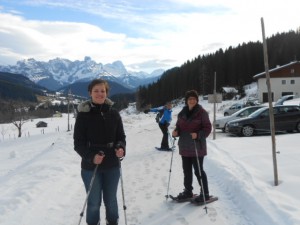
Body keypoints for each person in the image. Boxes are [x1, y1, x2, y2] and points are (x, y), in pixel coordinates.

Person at [74, 79, 126, 225]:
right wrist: (91, 157)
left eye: (102, 91)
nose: (99, 93)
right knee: (94, 202)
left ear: (107, 93)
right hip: (91, 167)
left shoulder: (114, 113)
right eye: (96, 91)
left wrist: (121, 148)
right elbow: (78, 143)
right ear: (90, 93)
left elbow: (120, 137)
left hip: (112, 164)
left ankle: (112, 222)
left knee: (111, 200)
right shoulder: (83, 115)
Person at [172, 90, 212, 202]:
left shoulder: (202, 112)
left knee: (198, 171)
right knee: (187, 171)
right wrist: (176, 132)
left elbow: (208, 128)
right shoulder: (182, 113)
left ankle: (205, 193)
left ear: (197, 100)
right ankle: (188, 191)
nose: (192, 100)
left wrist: (198, 134)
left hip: (197, 146)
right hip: (184, 146)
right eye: (190, 99)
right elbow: (179, 127)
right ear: (186, 101)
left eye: (194, 99)